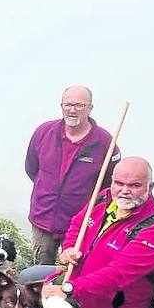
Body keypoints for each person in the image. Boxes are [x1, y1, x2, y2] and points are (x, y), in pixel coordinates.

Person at [40, 157, 154, 308]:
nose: (124, 190)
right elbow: (78, 224)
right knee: (29, 279)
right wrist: (69, 248)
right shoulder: (102, 198)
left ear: (150, 187)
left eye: (134, 185)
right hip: (81, 289)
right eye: (119, 183)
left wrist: (69, 289)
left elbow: (117, 274)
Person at [24, 85, 120, 266]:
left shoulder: (105, 142)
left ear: (90, 108)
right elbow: (31, 168)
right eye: (67, 105)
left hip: (81, 225)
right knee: (41, 273)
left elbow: (111, 185)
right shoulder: (44, 133)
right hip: (43, 219)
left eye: (79, 105)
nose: (72, 110)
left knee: (76, 272)